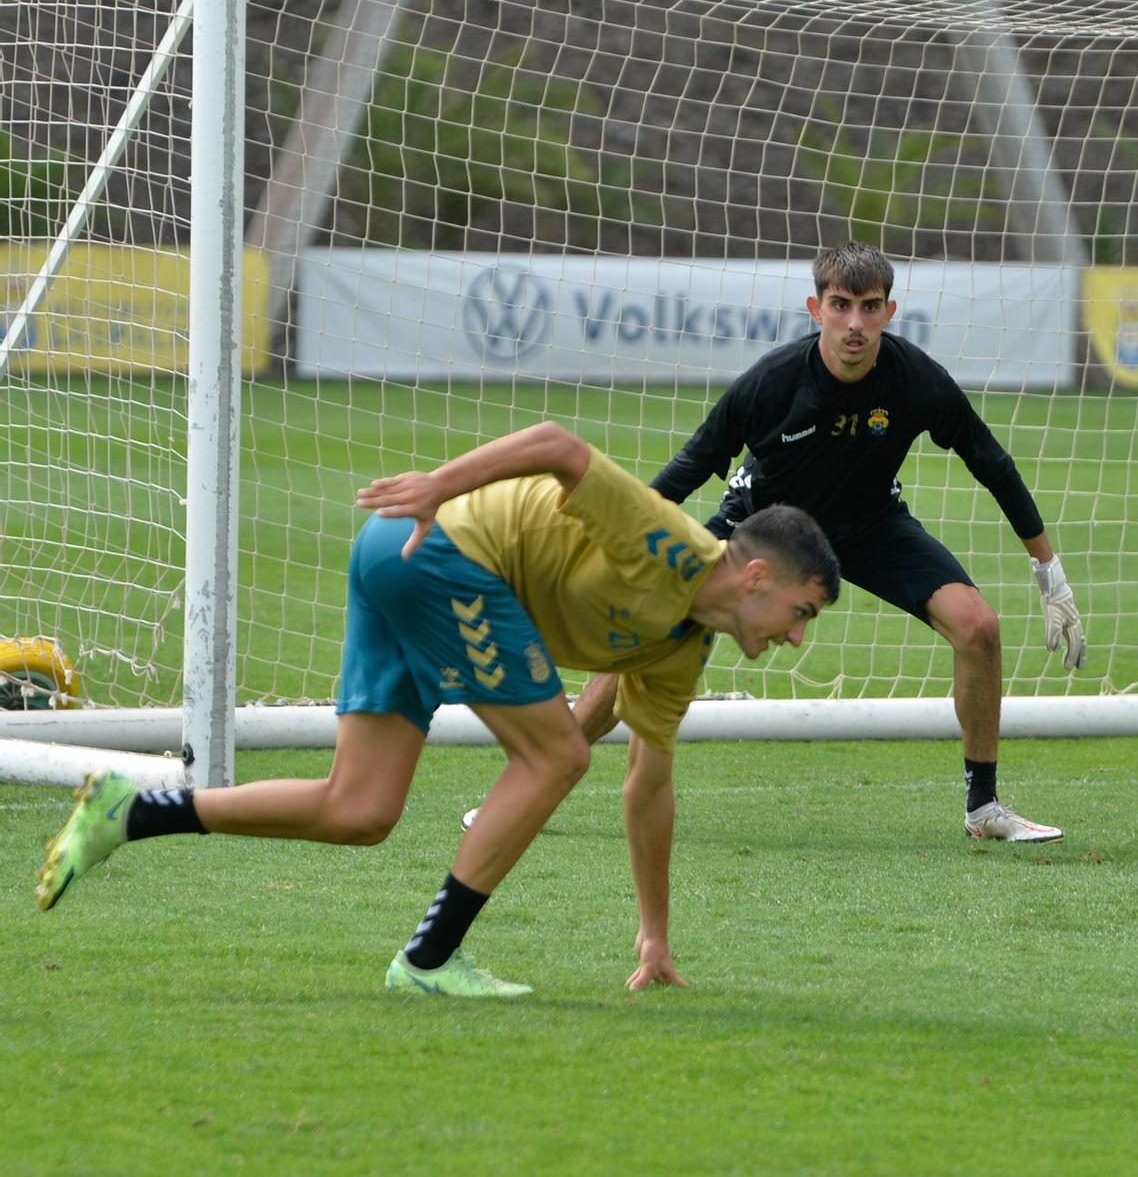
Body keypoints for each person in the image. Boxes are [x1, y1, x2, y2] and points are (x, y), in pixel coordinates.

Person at [35, 421, 840, 996]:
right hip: (434, 548)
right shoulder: (676, 546)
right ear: (759, 576)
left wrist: (655, 934)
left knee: (360, 808)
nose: (797, 639)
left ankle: (128, 814)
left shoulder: (680, 652)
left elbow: (649, 786)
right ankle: (428, 961)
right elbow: (560, 445)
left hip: (406, 569)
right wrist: (439, 485)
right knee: (558, 753)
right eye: (803, 613)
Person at [578, 242, 1084, 842]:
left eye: (870, 308)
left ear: (889, 312)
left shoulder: (916, 379)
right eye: (841, 306)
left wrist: (1048, 571)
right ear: (815, 308)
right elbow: (689, 467)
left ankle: (984, 808)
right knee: (651, 635)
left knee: (978, 627)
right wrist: (627, 544)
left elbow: (991, 463)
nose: (855, 324)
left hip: (870, 525)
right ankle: (545, 770)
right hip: (762, 528)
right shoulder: (770, 383)